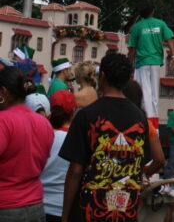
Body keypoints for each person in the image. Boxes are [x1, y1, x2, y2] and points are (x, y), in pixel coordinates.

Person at [59, 52, 150, 222]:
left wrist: (65, 215)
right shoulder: (140, 118)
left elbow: (75, 170)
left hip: (90, 211)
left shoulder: (87, 115)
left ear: (102, 76)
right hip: (126, 213)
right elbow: (141, 165)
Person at [0, 65, 54, 221]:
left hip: (6, 207)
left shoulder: (4, 121)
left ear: (3, 92)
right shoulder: (43, 123)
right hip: (36, 205)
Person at [127, 0, 174, 128]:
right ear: (153, 11)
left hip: (142, 63)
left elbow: (132, 49)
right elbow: (170, 40)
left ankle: (145, 121)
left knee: (143, 93)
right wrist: (173, 56)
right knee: (154, 93)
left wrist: (128, 65)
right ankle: (154, 123)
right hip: (155, 62)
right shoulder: (160, 24)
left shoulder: (137, 27)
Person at [40, 88, 77, 222]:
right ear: (73, 112)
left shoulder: (43, 136)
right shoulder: (75, 140)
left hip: (41, 205)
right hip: (64, 208)